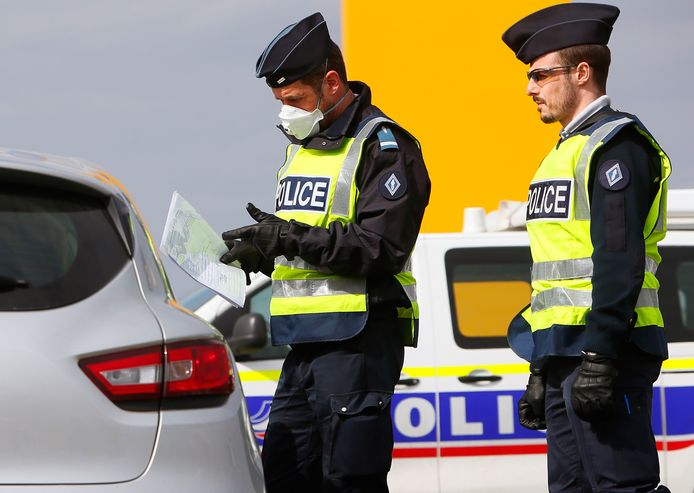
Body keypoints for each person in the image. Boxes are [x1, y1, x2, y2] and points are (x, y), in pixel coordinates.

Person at [220, 12, 430, 493]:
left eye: (293, 99)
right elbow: (308, 238)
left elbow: (381, 249)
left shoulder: (384, 146)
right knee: (287, 473)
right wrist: (265, 249)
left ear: (331, 83)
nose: (285, 111)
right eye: (279, 101)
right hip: (306, 343)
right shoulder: (303, 147)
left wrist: (288, 238)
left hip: (358, 339)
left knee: (348, 480)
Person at [502, 4, 671, 492]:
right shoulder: (563, 151)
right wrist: (541, 365)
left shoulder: (616, 146)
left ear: (581, 72)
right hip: (564, 353)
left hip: (606, 351)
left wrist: (600, 354)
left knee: (620, 485)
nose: (530, 88)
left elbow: (619, 260)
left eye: (539, 75)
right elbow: (553, 278)